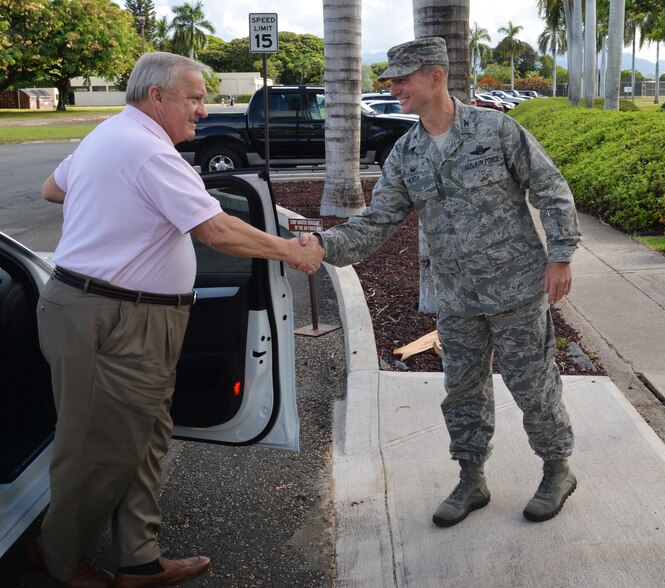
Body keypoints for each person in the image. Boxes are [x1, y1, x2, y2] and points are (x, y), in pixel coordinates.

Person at [29, 52, 318, 588]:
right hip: (115, 318)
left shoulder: (111, 134)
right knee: (96, 451)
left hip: (114, 313)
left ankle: (139, 560)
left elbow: (54, 188)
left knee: (143, 438)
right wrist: (292, 250)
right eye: (195, 97)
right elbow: (219, 233)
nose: (204, 110)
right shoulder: (148, 153)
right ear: (157, 97)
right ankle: (59, 562)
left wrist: (108, 209)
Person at [298, 37, 581, 527]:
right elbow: (376, 224)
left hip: (515, 289)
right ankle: (471, 479)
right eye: (390, 79)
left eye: (402, 78)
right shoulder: (406, 153)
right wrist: (324, 246)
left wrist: (560, 256)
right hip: (456, 296)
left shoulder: (496, 130)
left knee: (532, 385)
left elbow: (551, 188)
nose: (393, 87)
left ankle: (557, 469)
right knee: (462, 390)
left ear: (436, 76)